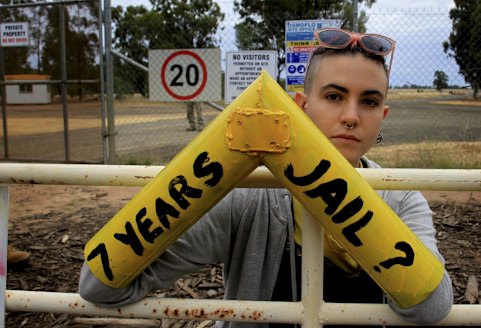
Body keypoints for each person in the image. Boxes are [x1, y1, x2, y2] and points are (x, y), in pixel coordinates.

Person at [79, 28, 453, 327]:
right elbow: (99, 286)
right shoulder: (251, 198)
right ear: (301, 107)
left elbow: (430, 308)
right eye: (335, 96)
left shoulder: (400, 197)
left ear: (383, 116)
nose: (352, 116)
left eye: (369, 101)